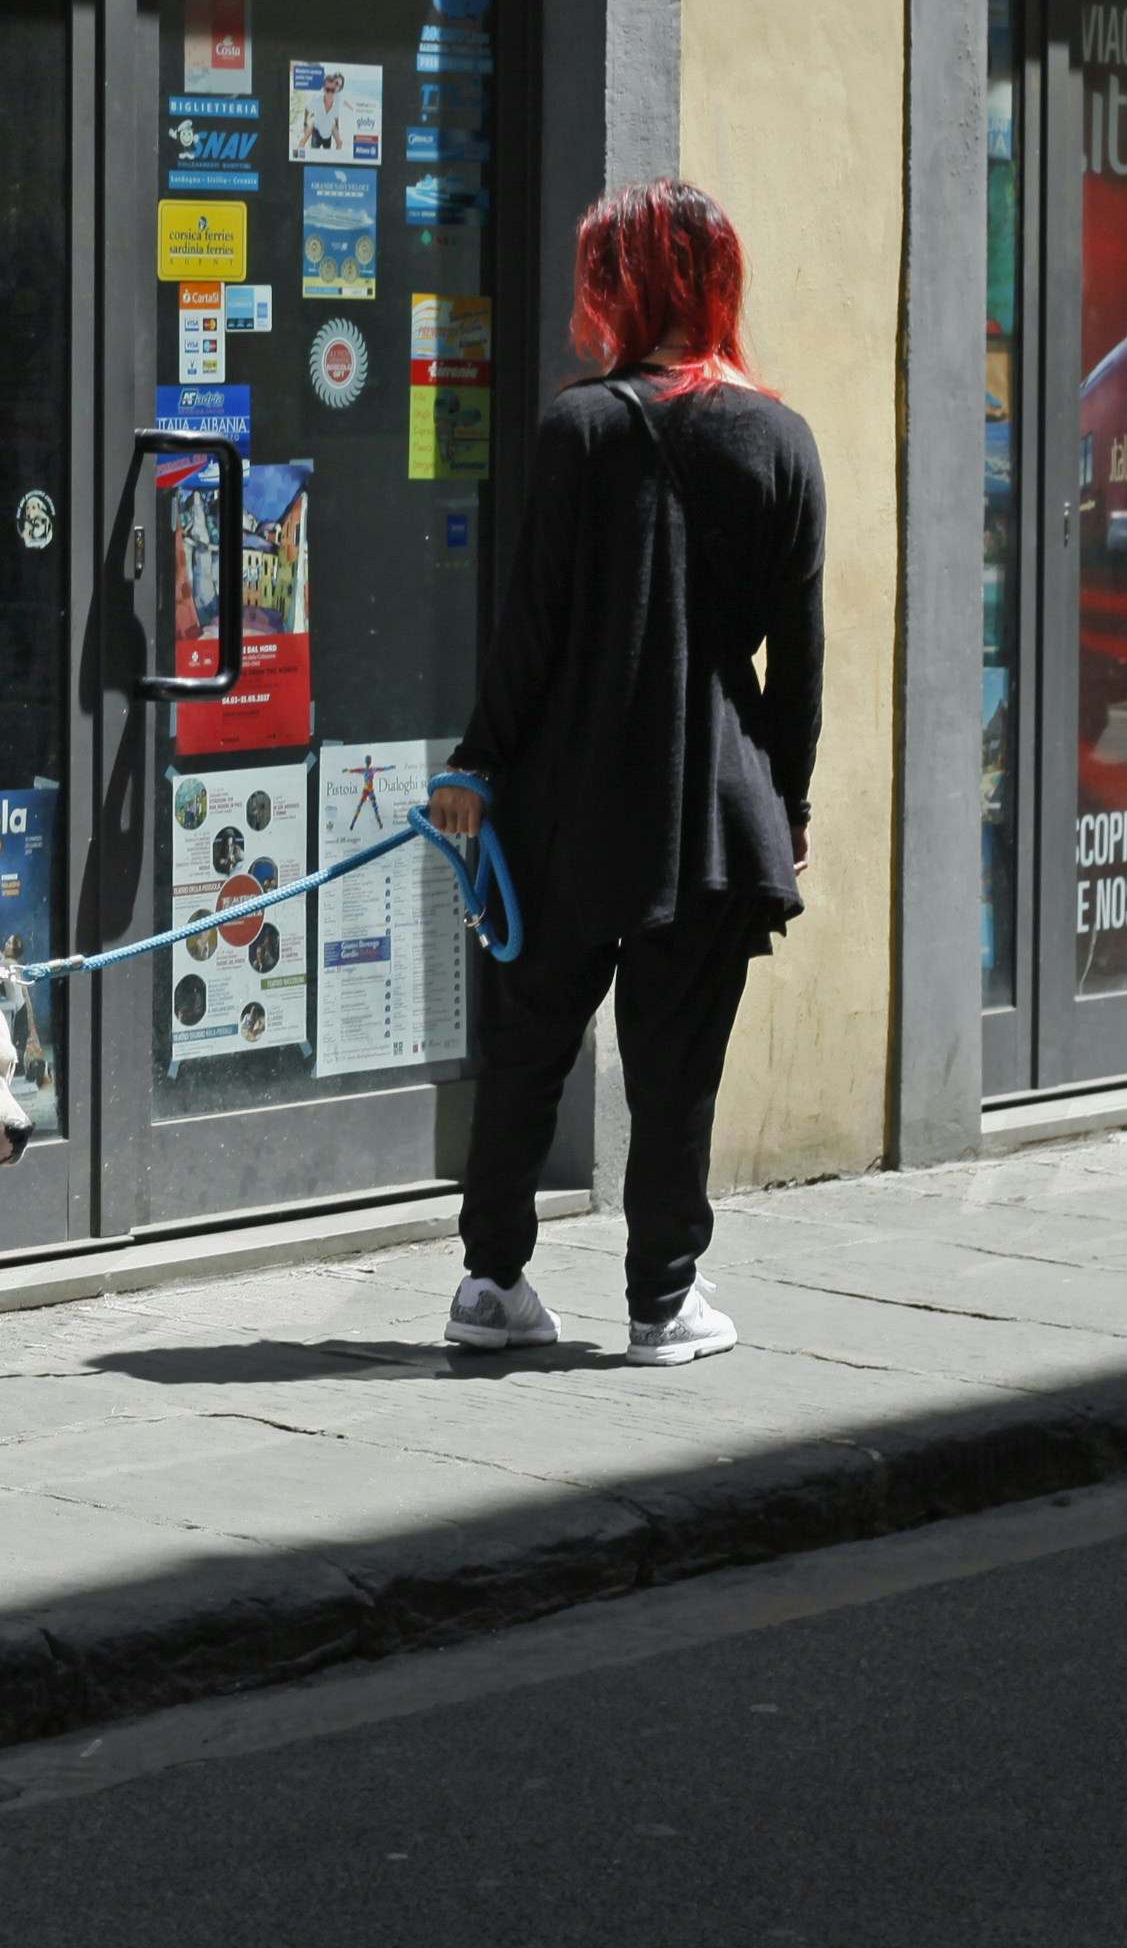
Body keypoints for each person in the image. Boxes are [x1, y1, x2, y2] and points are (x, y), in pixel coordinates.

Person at [432, 178, 823, 1366]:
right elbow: (799, 659)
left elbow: (532, 630)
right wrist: (790, 805)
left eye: (596, 274)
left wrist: (478, 761)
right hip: (714, 800)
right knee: (678, 1061)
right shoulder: (782, 438)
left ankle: (491, 1282)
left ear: (627, 285)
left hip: (567, 795)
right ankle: (663, 1298)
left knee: (527, 1044)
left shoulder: (580, 426)